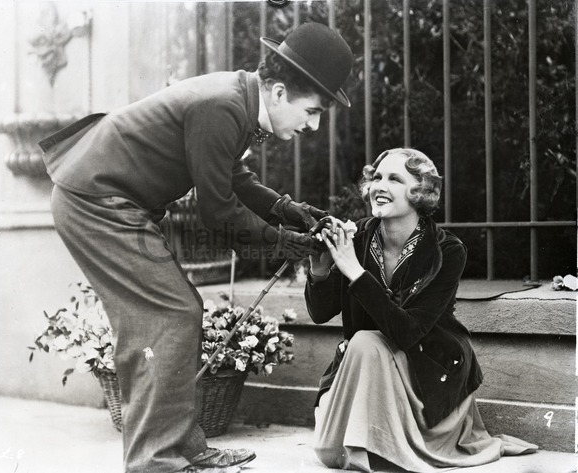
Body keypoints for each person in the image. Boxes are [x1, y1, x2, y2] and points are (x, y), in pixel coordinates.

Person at [39, 22, 353, 473]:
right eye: (314, 110)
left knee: (169, 315)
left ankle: (183, 448)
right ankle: (155, 461)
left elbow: (234, 178)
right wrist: (285, 243)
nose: (315, 124)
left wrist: (289, 209)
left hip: (106, 198)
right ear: (280, 92)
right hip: (95, 201)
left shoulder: (238, 99)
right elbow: (219, 213)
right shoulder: (222, 106)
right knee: (167, 314)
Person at [305, 148, 537, 472]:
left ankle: (376, 447)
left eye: (395, 179)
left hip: (426, 369)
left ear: (421, 192)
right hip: (368, 365)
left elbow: (408, 331)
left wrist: (354, 272)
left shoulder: (448, 250)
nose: (379, 186)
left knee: (364, 342)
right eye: (376, 178)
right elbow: (319, 313)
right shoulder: (358, 236)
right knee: (330, 448)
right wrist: (318, 271)